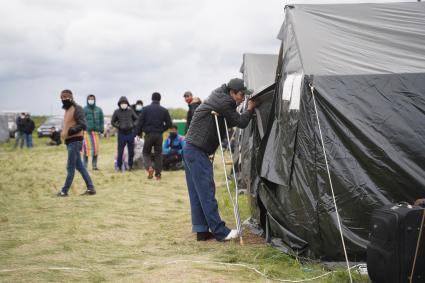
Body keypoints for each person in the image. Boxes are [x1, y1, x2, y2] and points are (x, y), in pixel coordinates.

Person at [183, 78, 256, 241]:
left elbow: (231, 120)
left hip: (191, 148)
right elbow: (240, 122)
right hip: (197, 150)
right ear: (232, 93)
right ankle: (220, 232)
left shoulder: (221, 96)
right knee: (206, 191)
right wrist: (250, 109)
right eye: (241, 95)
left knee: (197, 192)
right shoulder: (224, 101)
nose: (243, 99)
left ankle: (202, 231)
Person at [57, 89, 96, 196]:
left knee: (70, 167)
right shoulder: (67, 109)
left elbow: (83, 124)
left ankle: (64, 191)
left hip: (75, 141)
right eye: (62, 98)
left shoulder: (77, 108)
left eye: (65, 97)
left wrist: (71, 130)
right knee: (80, 166)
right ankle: (91, 188)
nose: (63, 99)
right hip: (69, 141)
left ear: (71, 97)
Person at [135, 92, 172, 180]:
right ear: (160, 99)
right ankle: (158, 174)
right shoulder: (164, 110)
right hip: (159, 135)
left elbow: (140, 123)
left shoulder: (145, 109)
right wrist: (162, 130)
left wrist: (138, 133)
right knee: (158, 154)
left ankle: (150, 168)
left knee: (146, 153)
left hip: (148, 134)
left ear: (152, 98)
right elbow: (169, 124)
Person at [111, 96, 138, 171]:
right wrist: (118, 126)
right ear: (119, 104)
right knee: (120, 151)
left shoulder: (130, 111)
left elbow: (137, 119)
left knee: (131, 151)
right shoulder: (116, 112)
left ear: (127, 103)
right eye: (122, 103)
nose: (123, 104)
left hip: (130, 134)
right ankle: (119, 166)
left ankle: (130, 165)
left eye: (125, 103)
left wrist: (133, 125)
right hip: (121, 134)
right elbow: (112, 122)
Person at [83, 94, 104, 170]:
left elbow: (101, 121)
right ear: (87, 100)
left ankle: (94, 165)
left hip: (96, 132)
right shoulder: (84, 109)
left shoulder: (99, 109)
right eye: (90, 99)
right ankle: (84, 166)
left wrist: (102, 130)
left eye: (92, 99)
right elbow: (81, 120)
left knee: (96, 149)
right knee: (86, 149)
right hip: (87, 132)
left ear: (94, 100)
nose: (91, 100)